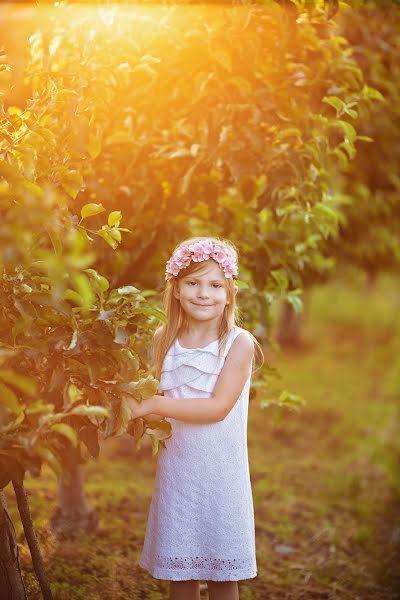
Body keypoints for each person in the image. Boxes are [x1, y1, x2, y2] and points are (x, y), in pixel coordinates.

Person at [129, 236, 264, 600]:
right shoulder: (164, 338)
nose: (204, 293)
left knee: (222, 575)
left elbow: (217, 408)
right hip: (179, 473)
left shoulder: (239, 343)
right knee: (181, 571)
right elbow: (152, 394)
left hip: (221, 474)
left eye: (215, 285)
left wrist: (154, 406)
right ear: (175, 288)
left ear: (230, 292)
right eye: (192, 282)